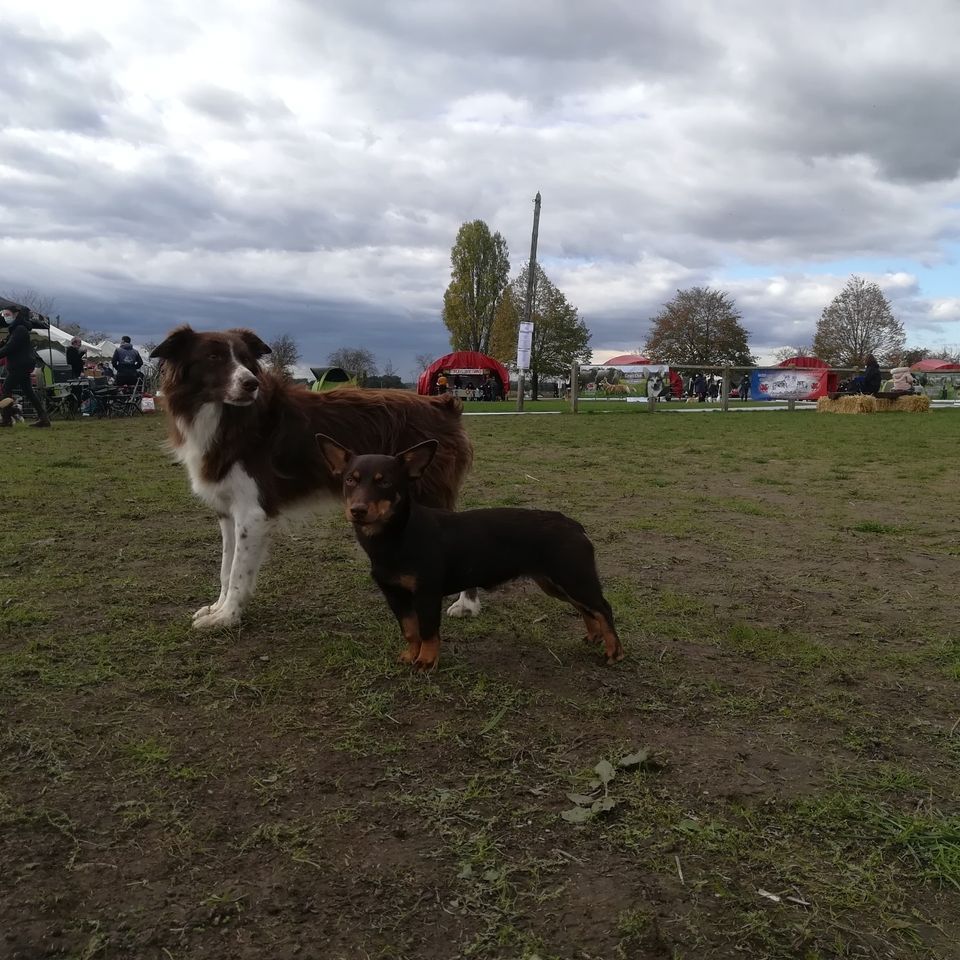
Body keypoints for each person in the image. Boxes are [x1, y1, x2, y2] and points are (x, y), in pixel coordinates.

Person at [0, 307, 51, 427]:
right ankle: (44, 418)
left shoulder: (19, 329)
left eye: (7, 314)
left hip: (19, 365)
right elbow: (9, 344)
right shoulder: (17, 328)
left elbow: (11, 347)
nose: (5, 317)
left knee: (6, 389)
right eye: (3, 314)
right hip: (23, 365)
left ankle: (7, 419)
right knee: (29, 392)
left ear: (16, 314)